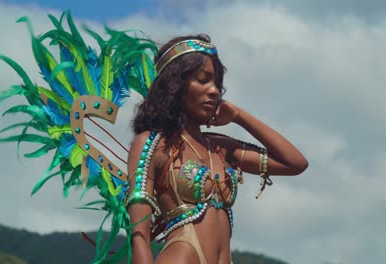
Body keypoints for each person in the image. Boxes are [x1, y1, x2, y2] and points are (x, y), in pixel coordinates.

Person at [125, 34, 308, 263]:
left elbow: (295, 163)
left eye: (217, 85)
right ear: (175, 85)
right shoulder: (153, 143)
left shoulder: (220, 148)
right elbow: (139, 235)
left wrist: (240, 117)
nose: (214, 91)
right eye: (203, 80)